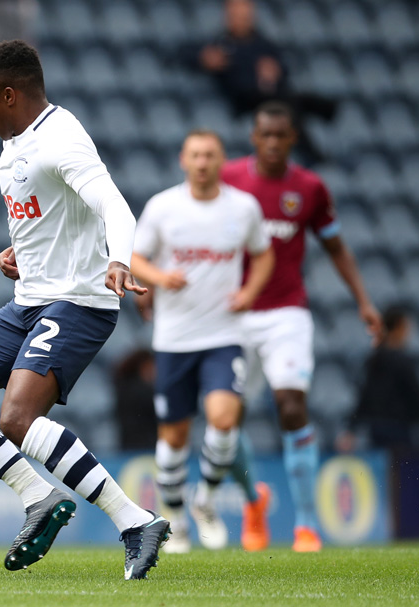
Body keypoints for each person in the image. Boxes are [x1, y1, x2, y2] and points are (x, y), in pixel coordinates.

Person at [0, 40, 169, 580]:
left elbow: (113, 205)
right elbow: (51, 217)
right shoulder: (14, 144)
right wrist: (21, 253)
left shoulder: (61, 139)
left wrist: (120, 260)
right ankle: (37, 498)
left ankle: (135, 521)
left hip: (79, 302)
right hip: (29, 300)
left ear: (10, 94)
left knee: (16, 419)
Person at [223, 100, 382, 553]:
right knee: (224, 421)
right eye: (265, 135)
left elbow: (336, 248)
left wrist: (364, 302)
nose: (273, 143)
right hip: (234, 313)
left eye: (281, 136)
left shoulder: (309, 188)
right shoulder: (231, 181)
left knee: (292, 406)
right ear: (254, 138)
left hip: (286, 313)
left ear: (293, 139)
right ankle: (255, 502)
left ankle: (307, 525)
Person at [130, 130, 274, 553]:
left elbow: (263, 254)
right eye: (195, 154)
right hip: (174, 338)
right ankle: (174, 516)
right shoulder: (164, 206)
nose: (202, 162)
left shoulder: (243, 208)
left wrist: (249, 293)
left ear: (221, 159)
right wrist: (159, 278)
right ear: (183, 160)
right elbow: (135, 256)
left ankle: (206, 501)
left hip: (223, 334)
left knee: (225, 419)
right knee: (174, 435)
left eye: (210, 154)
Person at [182, 0, 336, 164]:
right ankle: (320, 131)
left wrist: (274, 71)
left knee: (289, 102)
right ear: (227, 16)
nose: (241, 19)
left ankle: (321, 118)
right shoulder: (220, 42)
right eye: (236, 15)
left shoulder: (262, 43)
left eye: (245, 15)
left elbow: (282, 68)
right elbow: (185, 54)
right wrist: (204, 59)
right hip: (244, 100)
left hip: (269, 94)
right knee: (291, 103)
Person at [338, 305, 419, 454]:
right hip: (400, 430)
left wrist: (351, 429)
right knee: (399, 472)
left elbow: (365, 396)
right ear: (399, 327)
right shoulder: (403, 361)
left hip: (376, 430)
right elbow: (417, 398)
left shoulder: (374, 359)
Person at [112, 349, 158, 452]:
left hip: (128, 446)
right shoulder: (141, 392)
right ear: (142, 367)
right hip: (145, 447)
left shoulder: (122, 388)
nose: (154, 372)